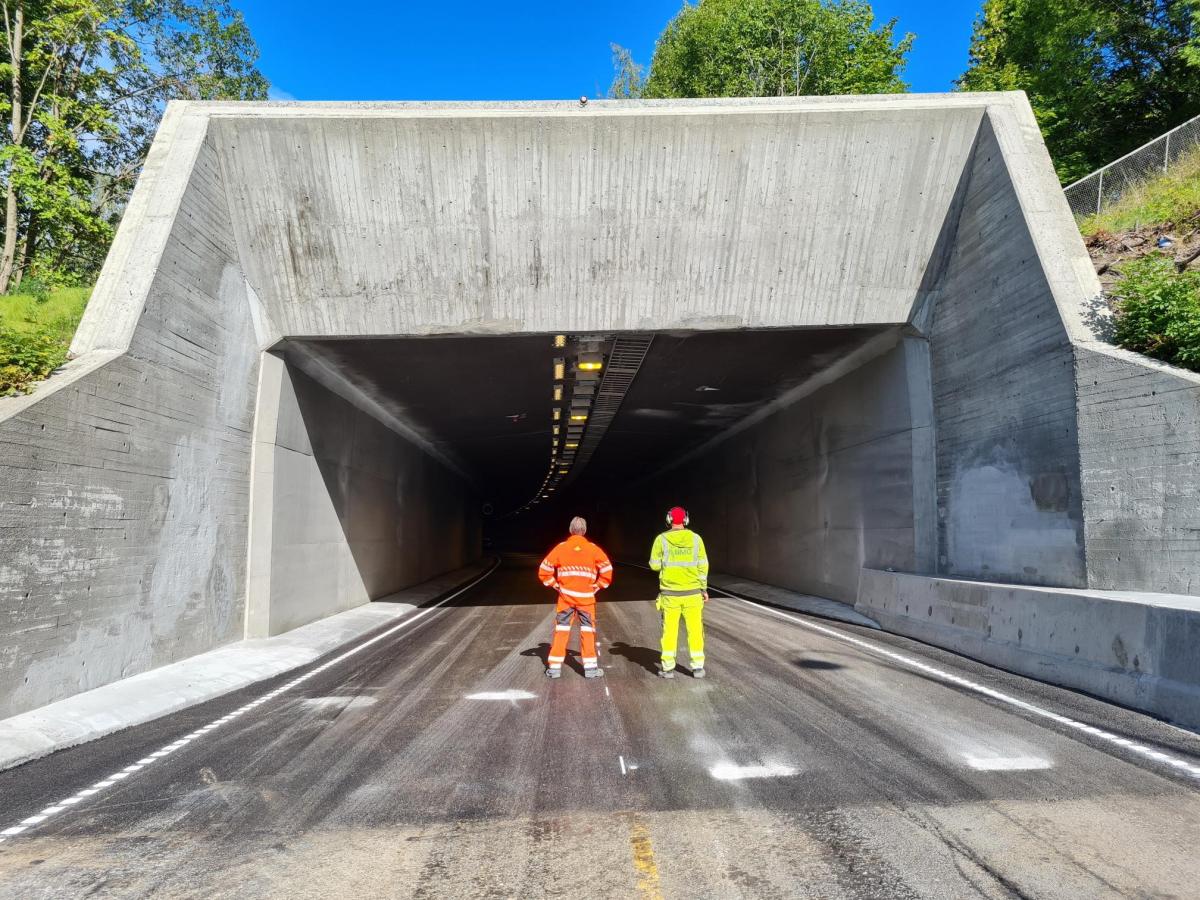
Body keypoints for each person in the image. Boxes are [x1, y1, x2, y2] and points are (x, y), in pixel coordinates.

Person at [538, 516, 614, 679]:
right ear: (584, 531)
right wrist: (598, 585)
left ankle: (554, 669)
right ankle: (591, 669)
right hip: (586, 600)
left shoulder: (560, 548)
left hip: (565, 599)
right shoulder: (594, 549)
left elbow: (544, 570)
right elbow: (607, 569)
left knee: (561, 631)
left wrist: (555, 584)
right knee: (588, 633)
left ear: (570, 530)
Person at [650, 506, 709, 679]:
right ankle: (698, 667)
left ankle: (668, 668)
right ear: (686, 520)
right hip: (692, 593)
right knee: (695, 631)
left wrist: (666, 562)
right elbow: (703, 566)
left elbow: (654, 564)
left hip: (670, 595)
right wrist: (703, 588)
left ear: (668, 520)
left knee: (669, 632)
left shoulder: (661, 540)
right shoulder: (696, 539)